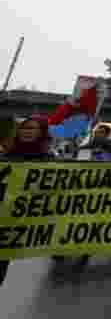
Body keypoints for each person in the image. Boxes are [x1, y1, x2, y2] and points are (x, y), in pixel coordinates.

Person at [1, 116, 54, 285]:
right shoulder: (5, 155)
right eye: (24, 128)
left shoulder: (48, 161)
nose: (27, 132)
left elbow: (50, 192)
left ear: (42, 133)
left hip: (13, 223)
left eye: (32, 129)